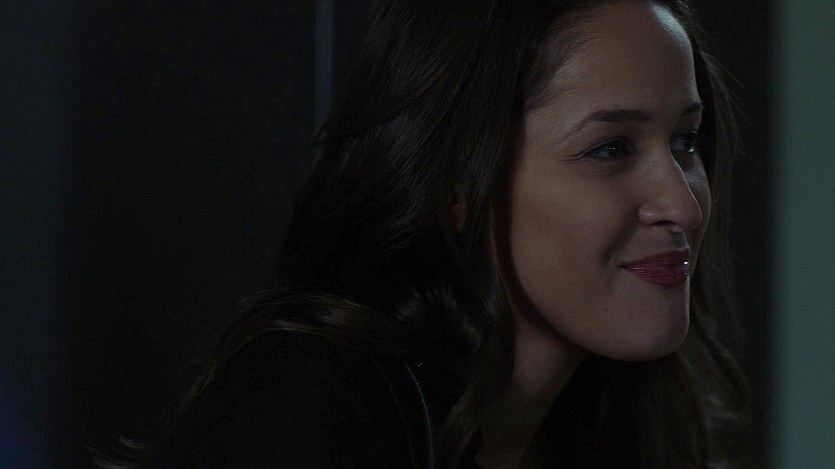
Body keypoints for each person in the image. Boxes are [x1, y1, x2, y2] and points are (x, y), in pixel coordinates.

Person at [106, 0, 748, 467]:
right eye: (610, 149)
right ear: (455, 187)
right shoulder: (307, 409)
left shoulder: (617, 429)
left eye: (686, 142)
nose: (684, 206)